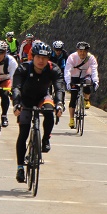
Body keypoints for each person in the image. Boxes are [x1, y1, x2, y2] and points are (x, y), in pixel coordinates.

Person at [11, 42, 65, 182]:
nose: (41, 61)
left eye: (45, 58)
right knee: (23, 133)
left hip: (42, 97)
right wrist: (16, 104)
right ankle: (20, 168)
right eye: (38, 57)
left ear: (49, 59)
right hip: (25, 100)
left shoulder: (54, 69)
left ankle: (46, 138)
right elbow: (16, 87)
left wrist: (59, 104)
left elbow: (59, 88)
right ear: (32, 57)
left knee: (49, 111)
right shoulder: (23, 68)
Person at [64, 41, 99, 128]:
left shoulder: (91, 58)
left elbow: (94, 70)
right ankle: (71, 119)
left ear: (87, 51)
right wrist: (68, 81)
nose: (82, 53)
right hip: (74, 76)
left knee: (87, 83)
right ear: (77, 51)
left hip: (85, 75)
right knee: (73, 97)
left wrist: (95, 81)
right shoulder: (72, 57)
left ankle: (86, 100)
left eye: (84, 51)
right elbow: (67, 70)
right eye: (80, 51)